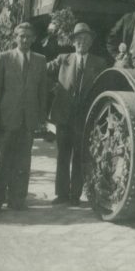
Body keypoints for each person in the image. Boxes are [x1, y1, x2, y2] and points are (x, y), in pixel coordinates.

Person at [0, 23, 48, 212]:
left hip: (28, 119)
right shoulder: (3, 58)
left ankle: (17, 201)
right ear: (15, 37)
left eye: (29, 36)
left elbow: (42, 92)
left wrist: (41, 117)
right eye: (22, 36)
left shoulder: (40, 60)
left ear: (34, 39)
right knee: (2, 163)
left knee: (23, 162)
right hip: (7, 118)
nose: (25, 40)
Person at [47, 23, 107, 206]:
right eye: (79, 39)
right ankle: (62, 194)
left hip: (85, 117)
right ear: (73, 42)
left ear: (90, 42)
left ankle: (75, 195)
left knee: (80, 156)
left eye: (86, 39)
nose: (82, 42)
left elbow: (104, 85)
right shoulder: (63, 59)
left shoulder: (99, 63)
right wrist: (53, 88)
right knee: (63, 155)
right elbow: (42, 71)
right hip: (64, 115)